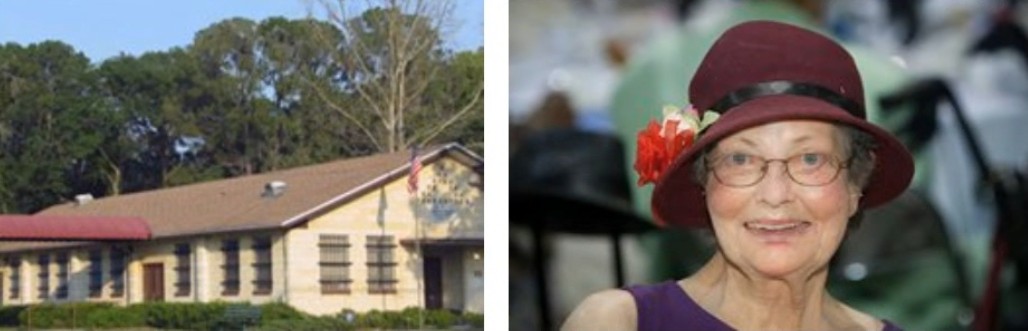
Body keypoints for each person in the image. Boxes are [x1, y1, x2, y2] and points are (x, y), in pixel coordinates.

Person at [561, 21, 914, 331]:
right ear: (704, 183)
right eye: (741, 159)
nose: (775, 195)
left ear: (855, 183)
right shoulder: (619, 323)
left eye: (810, 159)